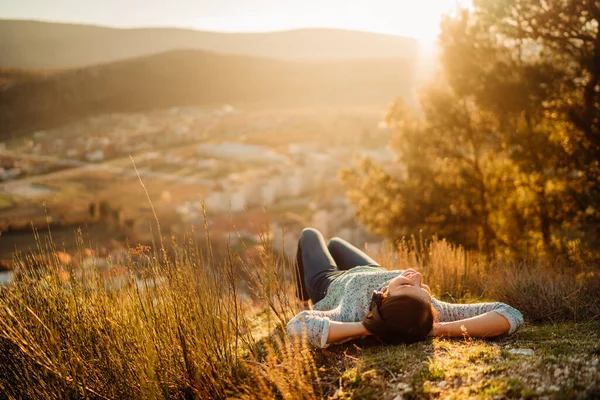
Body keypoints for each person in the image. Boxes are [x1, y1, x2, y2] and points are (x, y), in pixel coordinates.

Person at [287, 228, 524, 348]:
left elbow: (297, 326)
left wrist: (370, 327)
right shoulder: (428, 311)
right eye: (424, 288)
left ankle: (300, 296)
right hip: (372, 270)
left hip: (332, 282)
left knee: (310, 234)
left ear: (385, 297)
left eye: (407, 283)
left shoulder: (349, 314)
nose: (417, 276)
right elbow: (510, 314)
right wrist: (438, 329)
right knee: (335, 244)